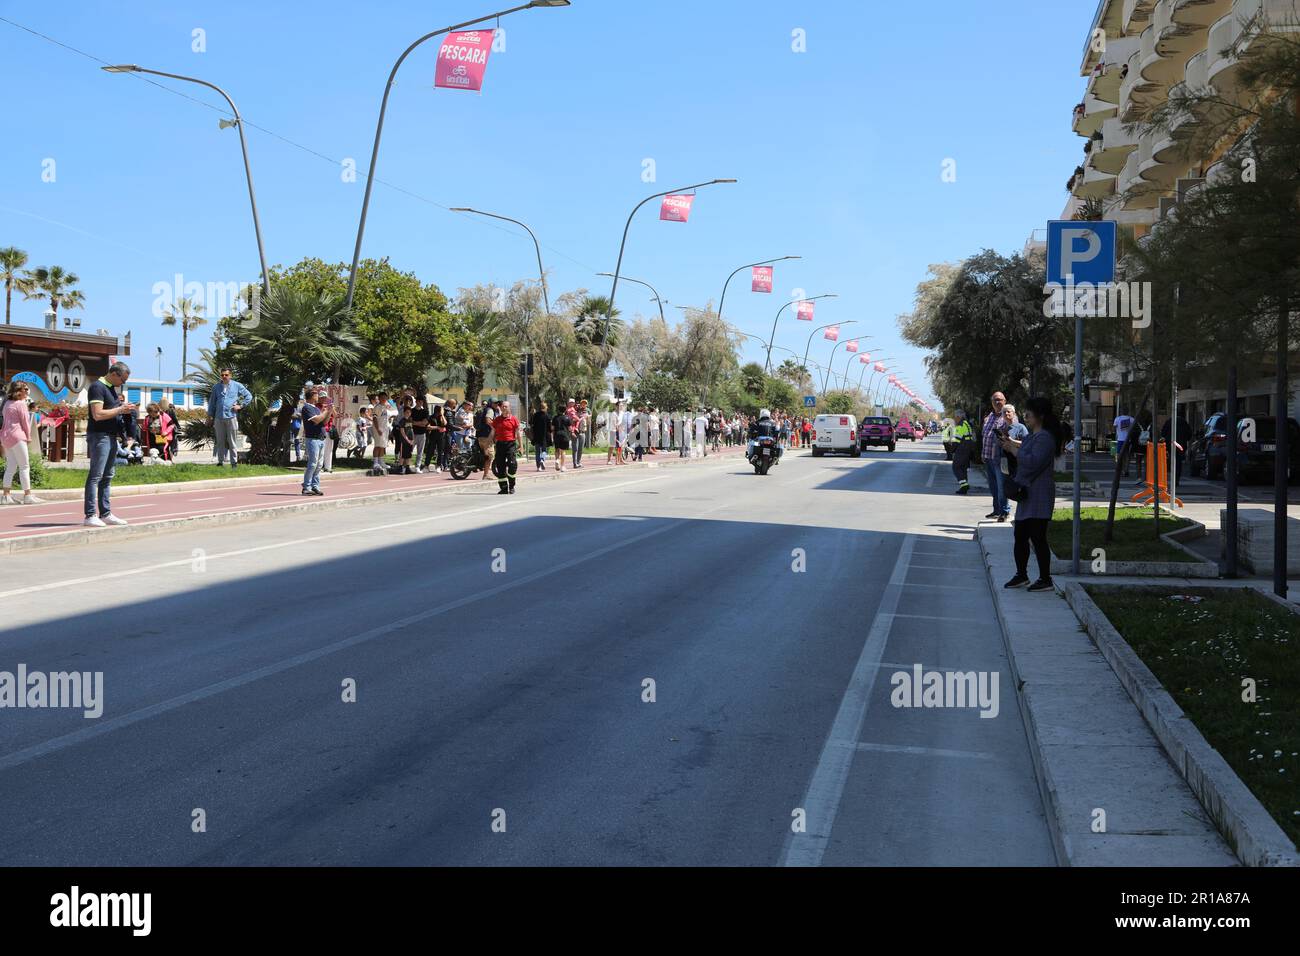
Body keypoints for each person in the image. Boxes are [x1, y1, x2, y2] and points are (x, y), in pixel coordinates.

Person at [1000, 396, 1065, 592]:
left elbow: (1033, 461)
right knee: (1020, 534)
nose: (1026, 415)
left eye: (1030, 412)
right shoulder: (1033, 436)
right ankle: (1021, 575)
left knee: (1037, 537)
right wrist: (1011, 444)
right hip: (1028, 493)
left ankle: (1045, 579)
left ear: (1041, 415)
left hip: (1039, 493)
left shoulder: (1045, 437)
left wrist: (1014, 450)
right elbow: (1026, 451)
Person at [84, 361, 137, 527]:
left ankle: (105, 513)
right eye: (123, 380)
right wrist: (120, 409)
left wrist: (123, 409)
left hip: (110, 436)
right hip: (100, 436)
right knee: (96, 476)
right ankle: (90, 515)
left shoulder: (111, 389)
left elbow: (110, 411)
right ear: (114, 374)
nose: (123, 383)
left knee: (107, 476)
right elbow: (97, 414)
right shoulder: (97, 387)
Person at [1, 380, 42, 505]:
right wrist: (28, 437)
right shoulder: (21, 404)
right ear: (19, 392)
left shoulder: (7, 403)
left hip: (5, 437)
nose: (27, 392)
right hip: (18, 436)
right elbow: (25, 422)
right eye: (25, 389)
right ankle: (27, 495)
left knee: (11, 467)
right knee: (24, 466)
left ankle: (6, 496)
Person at [206, 367, 252, 468]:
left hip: (231, 417)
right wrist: (210, 416)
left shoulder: (237, 385)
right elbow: (212, 402)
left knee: (232, 441)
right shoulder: (216, 387)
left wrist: (240, 405)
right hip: (219, 417)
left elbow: (248, 396)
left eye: (226, 375)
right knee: (220, 441)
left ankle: (234, 462)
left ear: (230, 375)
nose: (224, 377)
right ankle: (220, 461)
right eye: (222, 375)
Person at [981, 391, 1010, 520]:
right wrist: (983, 454)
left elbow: (1011, 435)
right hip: (988, 457)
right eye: (995, 400)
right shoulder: (988, 418)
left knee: (1001, 486)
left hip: (1000, 458)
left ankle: (1004, 511)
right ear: (992, 403)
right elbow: (985, 437)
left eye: (1000, 400)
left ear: (1005, 401)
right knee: (993, 486)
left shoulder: (1008, 416)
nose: (997, 402)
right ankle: (996, 510)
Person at [300, 387, 329, 496]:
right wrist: (325, 411)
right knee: (312, 464)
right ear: (311, 396)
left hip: (320, 439)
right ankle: (306, 487)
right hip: (312, 439)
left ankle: (315, 486)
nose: (318, 396)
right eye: (316, 394)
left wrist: (329, 412)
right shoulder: (307, 408)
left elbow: (324, 421)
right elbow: (317, 420)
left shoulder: (316, 409)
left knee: (319, 465)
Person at [491, 399, 520, 494]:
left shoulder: (514, 419)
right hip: (500, 444)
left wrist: (521, 446)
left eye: (506, 406)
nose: (504, 408)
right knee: (500, 466)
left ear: (509, 408)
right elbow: (493, 432)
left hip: (510, 444)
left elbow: (518, 433)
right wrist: (490, 440)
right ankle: (503, 488)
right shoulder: (497, 420)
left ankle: (511, 486)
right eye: (502, 406)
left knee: (512, 465)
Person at [950, 408, 975, 494]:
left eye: (955, 417)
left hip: (962, 449)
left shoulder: (960, 425)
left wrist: (951, 450)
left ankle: (964, 485)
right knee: (963, 468)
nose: (954, 419)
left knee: (956, 467)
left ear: (958, 416)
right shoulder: (966, 423)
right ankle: (964, 487)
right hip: (968, 448)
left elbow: (957, 440)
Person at [474, 398, 497, 481]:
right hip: (487, 436)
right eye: (495, 403)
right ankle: (486, 475)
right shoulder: (490, 410)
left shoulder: (484, 409)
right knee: (489, 455)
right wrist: (495, 427)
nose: (497, 404)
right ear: (491, 403)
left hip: (480, 435)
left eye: (497, 403)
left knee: (484, 454)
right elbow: (488, 420)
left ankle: (483, 471)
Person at [369, 391, 391, 476]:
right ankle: (375, 462)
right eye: (382, 397)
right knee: (377, 445)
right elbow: (374, 418)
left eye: (385, 397)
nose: (384, 399)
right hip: (378, 429)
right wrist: (378, 428)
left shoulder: (385, 407)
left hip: (385, 429)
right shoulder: (377, 407)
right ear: (380, 398)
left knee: (383, 445)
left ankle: (381, 462)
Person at [531, 401, 552, 471]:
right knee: (544, 450)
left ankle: (538, 467)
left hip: (536, 435)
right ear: (545, 408)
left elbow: (533, 425)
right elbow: (549, 428)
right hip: (545, 436)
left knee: (537, 451)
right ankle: (542, 459)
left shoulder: (535, 415)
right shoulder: (547, 416)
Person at [553, 400, 572, 472]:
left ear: (558, 410)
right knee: (563, 451)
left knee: (557, 449)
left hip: (557, 435)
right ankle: (562, 466)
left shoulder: (555, 418)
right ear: (565, 410)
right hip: (564, 435)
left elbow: (552, 428)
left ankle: (557, 459)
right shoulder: (567, 418)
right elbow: (570, 428)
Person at [572, 400, 589, 467]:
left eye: (585, 404)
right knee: (575, 448)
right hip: (576, 431)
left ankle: (578, 462)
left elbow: (587, 421)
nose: (583, 405)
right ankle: (575, 463)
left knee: (581, 448)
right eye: (582, 403)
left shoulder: (587, 412)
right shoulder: (576, 411)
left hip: (582, 432)